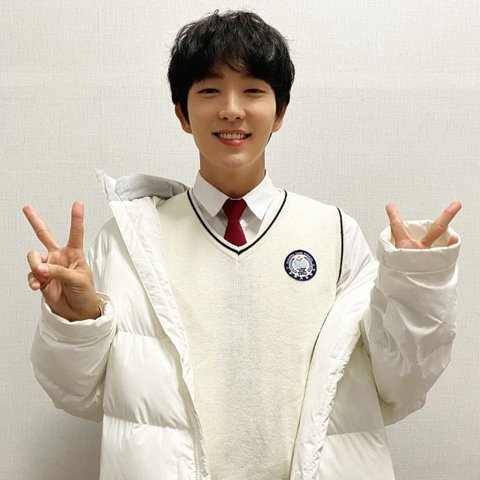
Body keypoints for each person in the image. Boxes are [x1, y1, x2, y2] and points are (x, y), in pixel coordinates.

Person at [23, 10, 461, 480]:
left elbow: (399, 385)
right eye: (209, 91)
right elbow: (79, 394)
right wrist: (76, 322)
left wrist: (415, 288)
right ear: (182, 114)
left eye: (253, 90)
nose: (231, 109)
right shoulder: (128, 241)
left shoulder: (334, 232)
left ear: (280, 112)